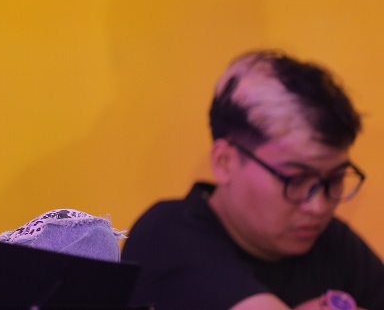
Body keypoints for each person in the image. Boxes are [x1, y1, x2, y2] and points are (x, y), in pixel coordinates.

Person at [121, 49, 384, 310]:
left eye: (334, 180)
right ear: (225, 161)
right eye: (295, 180)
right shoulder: (167, 234)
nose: (318, 206)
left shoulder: (332, 242)